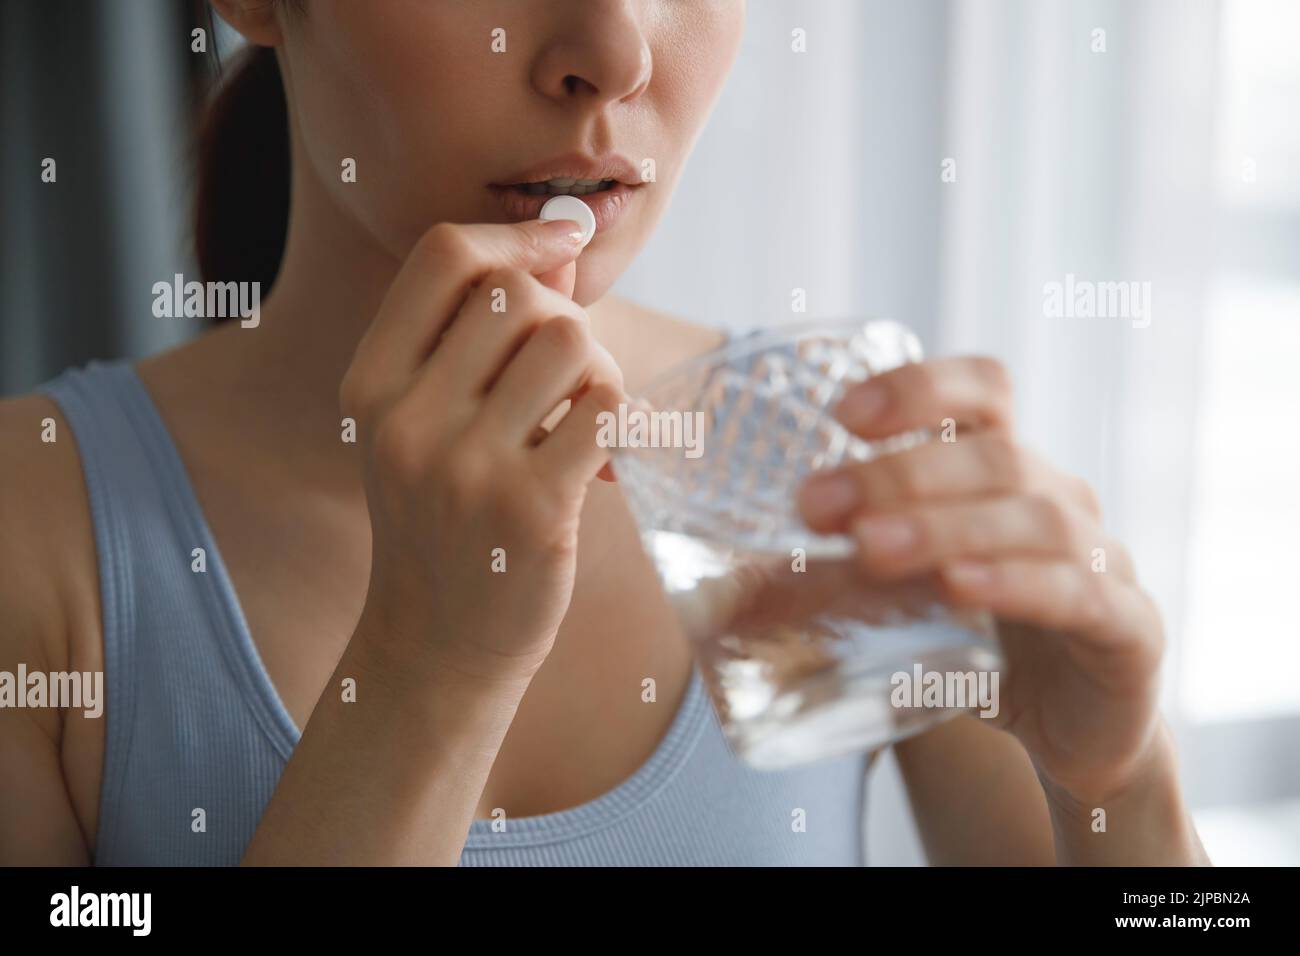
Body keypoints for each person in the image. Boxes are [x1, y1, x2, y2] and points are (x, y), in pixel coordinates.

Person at [0, 0, 1208, 866]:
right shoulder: (34, 527)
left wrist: (1119, 788)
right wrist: (430, 669)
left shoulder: (830, 452)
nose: (618, 51)